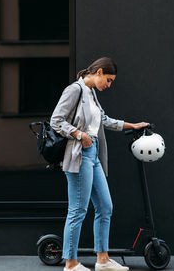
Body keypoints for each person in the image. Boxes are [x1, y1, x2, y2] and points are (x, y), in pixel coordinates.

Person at [50, 57, 149, 271]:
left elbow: (104, 120)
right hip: (79, 155)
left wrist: (133, 125)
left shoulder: (91, 93)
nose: (109, 85)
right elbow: (56, 120)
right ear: (100, 72)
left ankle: (102, 260)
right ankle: (70, 263)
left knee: (105, 206)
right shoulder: (74, 90)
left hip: (93, 155)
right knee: (78, 210)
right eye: (109, 80)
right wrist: (78, 134)